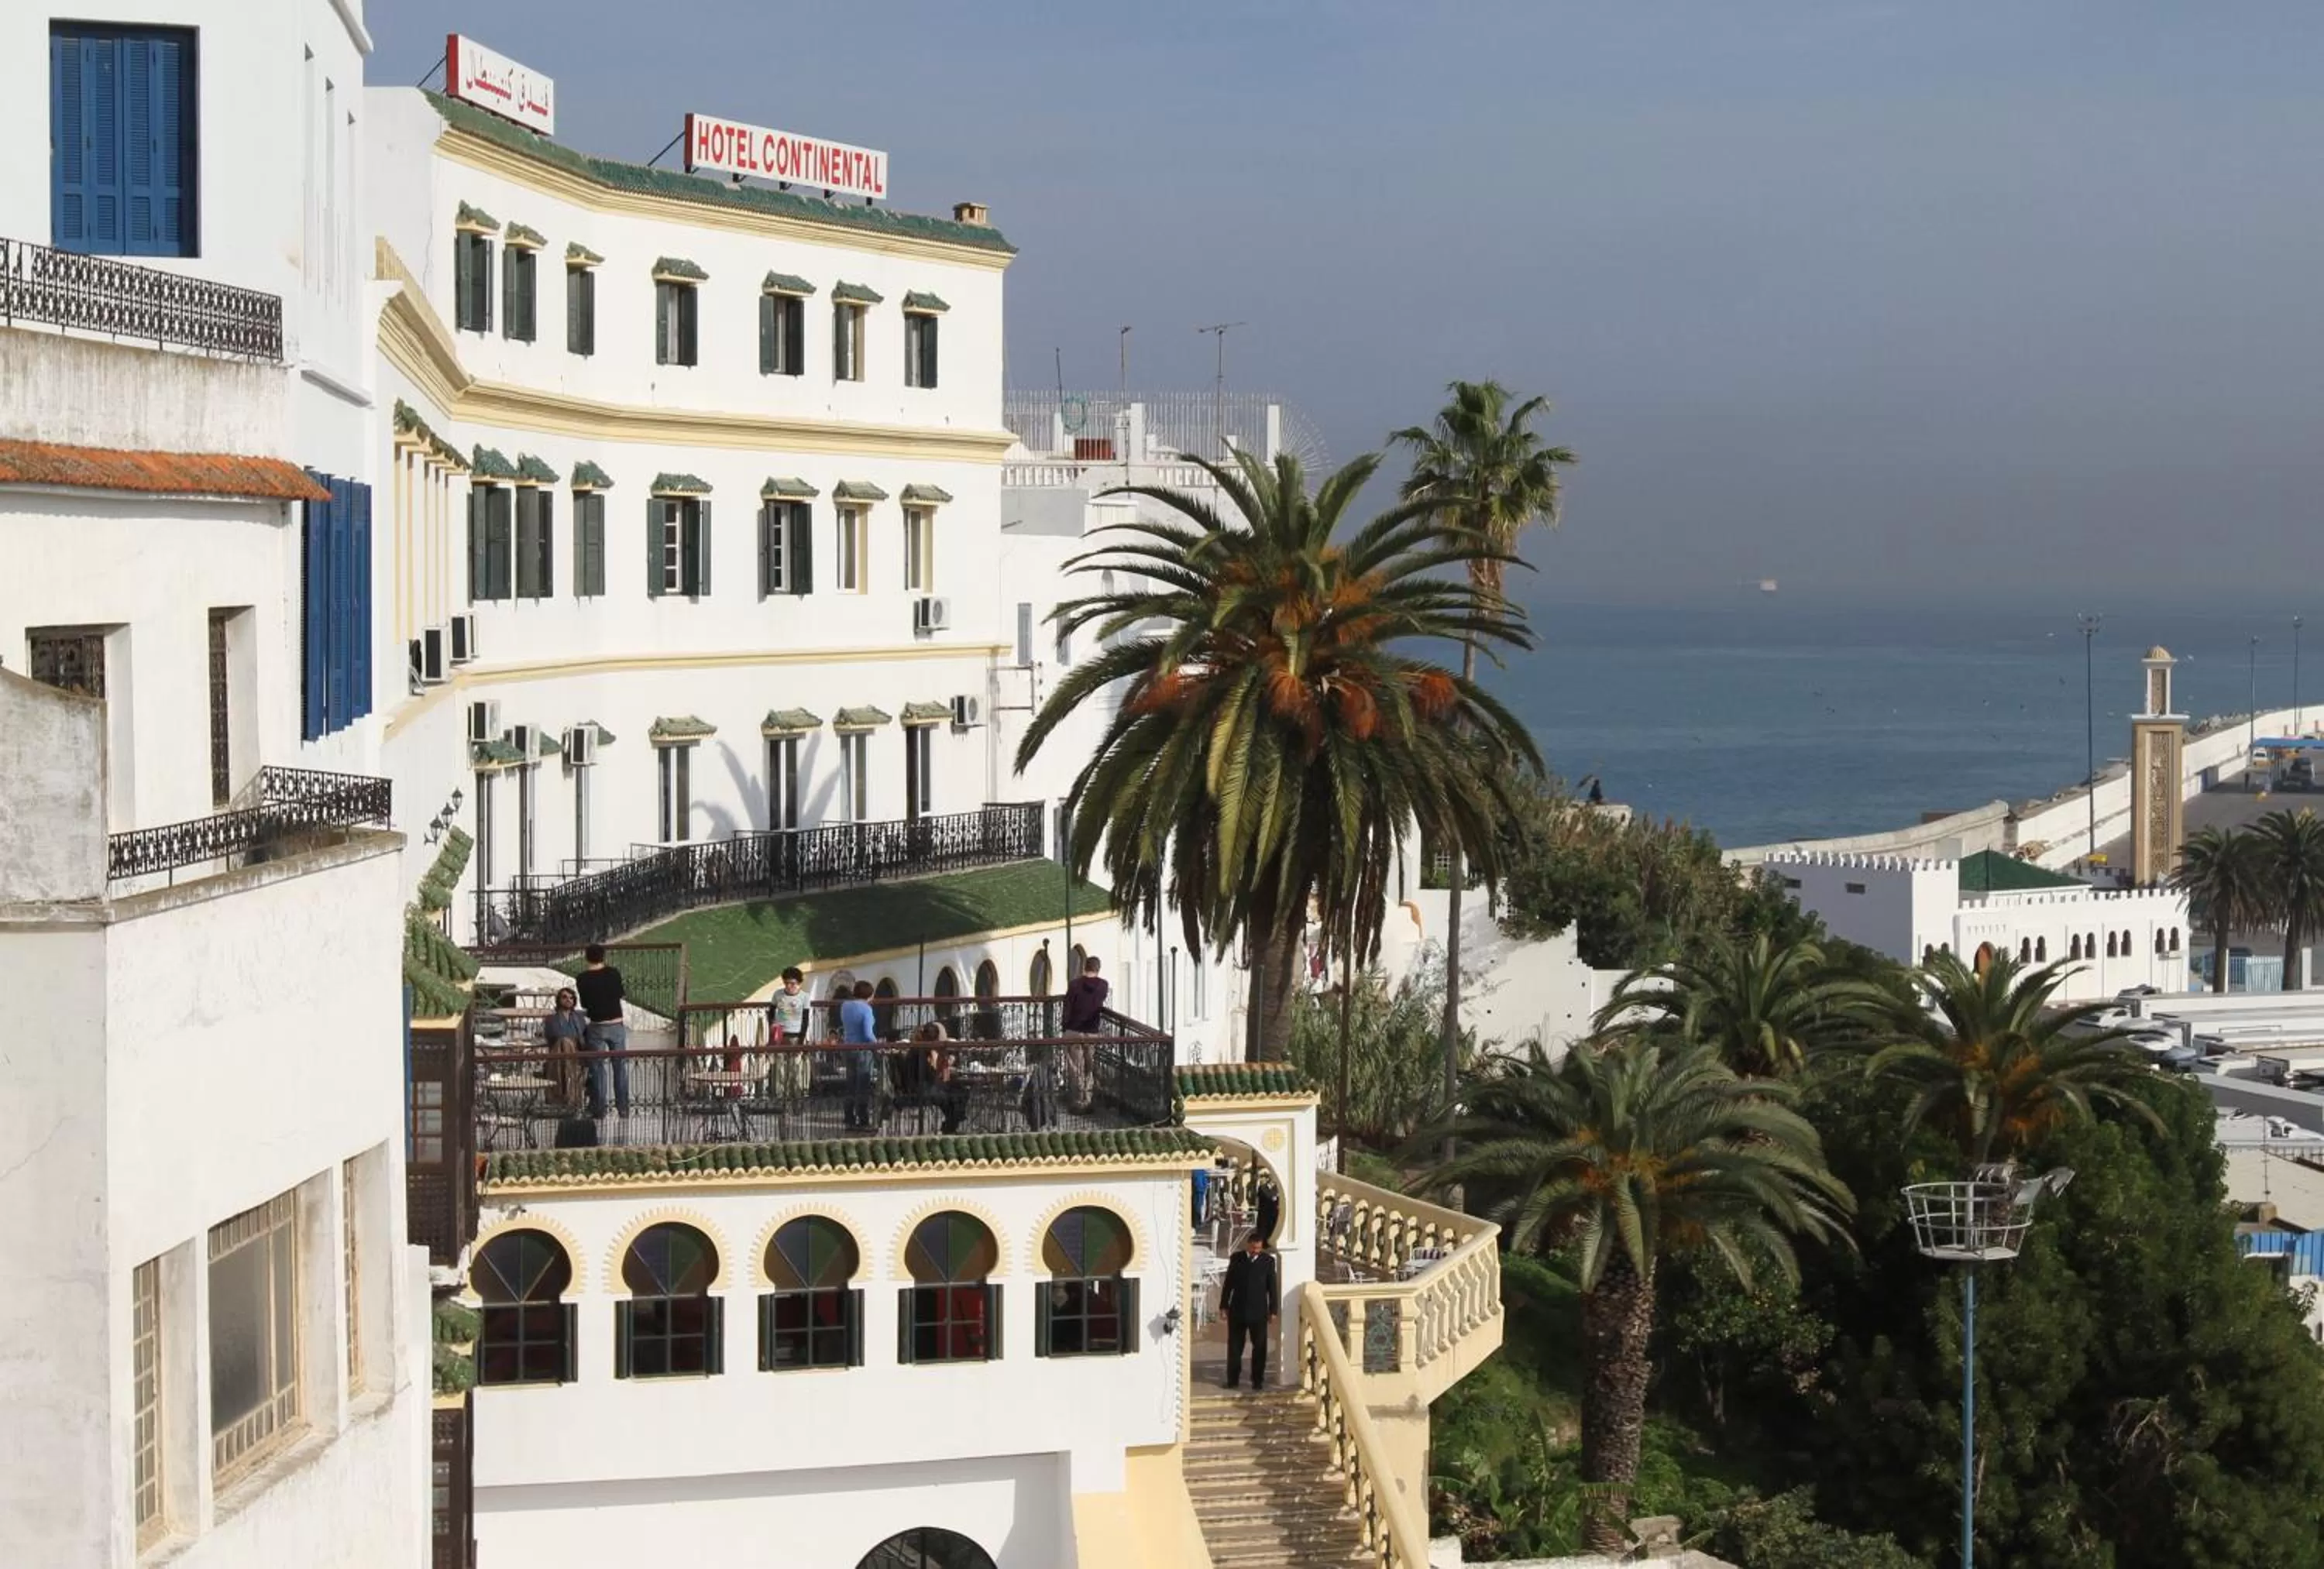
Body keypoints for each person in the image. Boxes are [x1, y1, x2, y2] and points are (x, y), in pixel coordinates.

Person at [1219, 1230, 1281, 1390]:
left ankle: (1257, 1380)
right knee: (1234, 1347)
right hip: (1237, 1310)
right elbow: (1228, 1284)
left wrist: (1273, 1310)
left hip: (1259, 1312)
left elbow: (1272, 1287)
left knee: (1260, 1347)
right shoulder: (1237, 1259)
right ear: (1248, 1245)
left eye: (1258, 1249)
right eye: (1253, 1248)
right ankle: (1233, 1380)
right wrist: (1224, 1306)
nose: (1255, 1252)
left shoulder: (1268, 1262)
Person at [576, 943, 630, 1120]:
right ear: (603, 957)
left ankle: (600, 1109)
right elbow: (621, 994)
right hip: (616, 1024)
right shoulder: (613, 973)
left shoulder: (582, 978)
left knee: (598, 1069)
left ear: (586, 957)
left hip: (597, 1026)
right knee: (620, 1067)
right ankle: (623, 1108)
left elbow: (584, 1004)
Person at [1061, 955, 1109, 1111]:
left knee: (1076, 1067)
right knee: (1090, 1066)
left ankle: (1077, 1100)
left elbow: (1067, 1007)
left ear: (1084, 967)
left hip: (1074, 1031)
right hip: (1092, 1031)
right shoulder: (1103, 986)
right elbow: (1101, 999)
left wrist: (1065, 1027)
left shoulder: (1074, 985)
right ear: (1098, 969)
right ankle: (1088, 1099)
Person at [764, 967, 810, 1097]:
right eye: (786, 983)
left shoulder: (804, 997)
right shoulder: (778, 994)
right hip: (780, 1036)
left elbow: (805, 1020)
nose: (789, 986)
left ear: (799, 983)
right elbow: (771, 1012)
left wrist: (801, 1041)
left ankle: (796, 1098)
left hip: (795, 1036)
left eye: (792, 984)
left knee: (795, 1071)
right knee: (779, 1070)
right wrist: (773, 1026)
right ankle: (780, 1099)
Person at [840, 979, 878, 1131]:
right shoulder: (866, 1009)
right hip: (862, 1050)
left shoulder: (845, 1006)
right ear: (870, 995)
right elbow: (868, 1034)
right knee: (862, 1085)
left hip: (848, 1048)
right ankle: (863, 1118)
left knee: (850, 1083)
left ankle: (848, 1116)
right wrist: (878, 1045)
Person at [543, 987, 590, 1110]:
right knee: (564, 1042)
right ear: (559, 1000)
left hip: (576, 1052)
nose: (568, 1000)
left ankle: (570, 1098)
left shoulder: (579, 1018)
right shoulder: (551, 1019)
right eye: (564, 997)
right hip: (558, 1052)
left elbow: (585, 1036)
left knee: (567, 1044)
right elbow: (555, 1035)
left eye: (571, 998)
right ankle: (566, 1098)